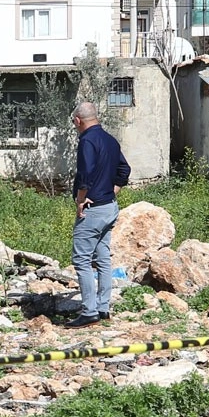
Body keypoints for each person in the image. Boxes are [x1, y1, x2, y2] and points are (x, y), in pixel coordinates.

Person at [65, 102, 131, 329]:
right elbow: (124, 170)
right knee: (103, 259)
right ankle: (103, 308)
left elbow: (85, 172)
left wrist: (81, 200)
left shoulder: (87, 141)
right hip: (110, 207)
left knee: (82, 260)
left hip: (92, 210)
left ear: (77, 121)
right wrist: (111, 192)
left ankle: (89, 311)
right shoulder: (110, 140)